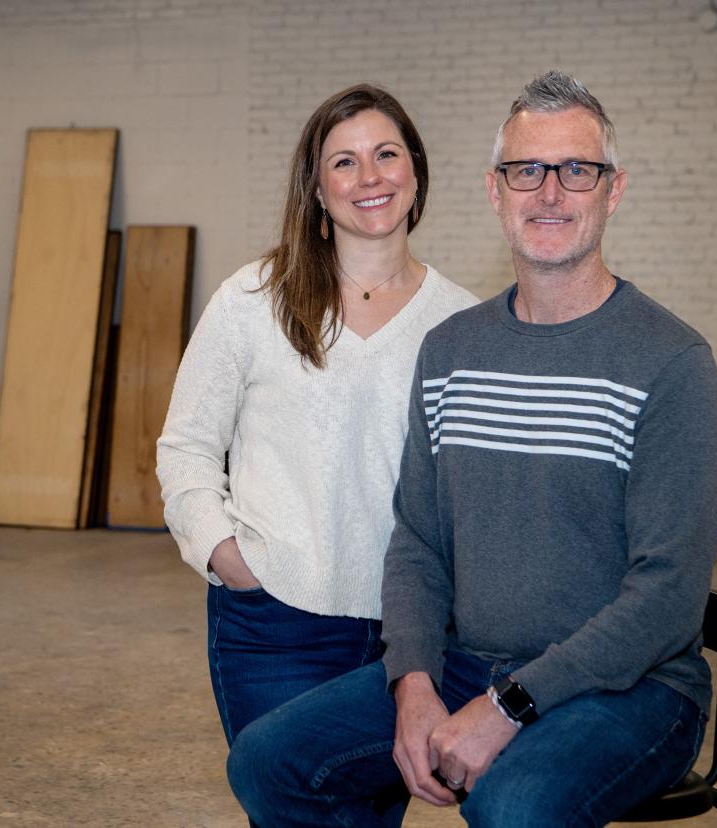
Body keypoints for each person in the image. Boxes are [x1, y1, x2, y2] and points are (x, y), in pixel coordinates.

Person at [225, 70, 717, 827]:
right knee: (269, 760)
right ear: (495, 191)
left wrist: (506, 707)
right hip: (468, 663)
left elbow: (666, 598)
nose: (550, 193)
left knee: (514, 806)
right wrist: (415, 683)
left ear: (613, 191)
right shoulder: (452, 350)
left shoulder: (670, 362)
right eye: (526, 170)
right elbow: (420, 541)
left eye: (576, 170)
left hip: (635, 687)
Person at [155, 84, 478, 760]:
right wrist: (224, 555)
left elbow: (468, 491)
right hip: (271, 624)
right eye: (344, 162)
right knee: (282, 802)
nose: (370, 177)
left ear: (415, 173)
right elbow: (186, 446)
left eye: (386, 154)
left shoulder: (461, 324)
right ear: (318, 191)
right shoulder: (252, 301)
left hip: (407, 642)